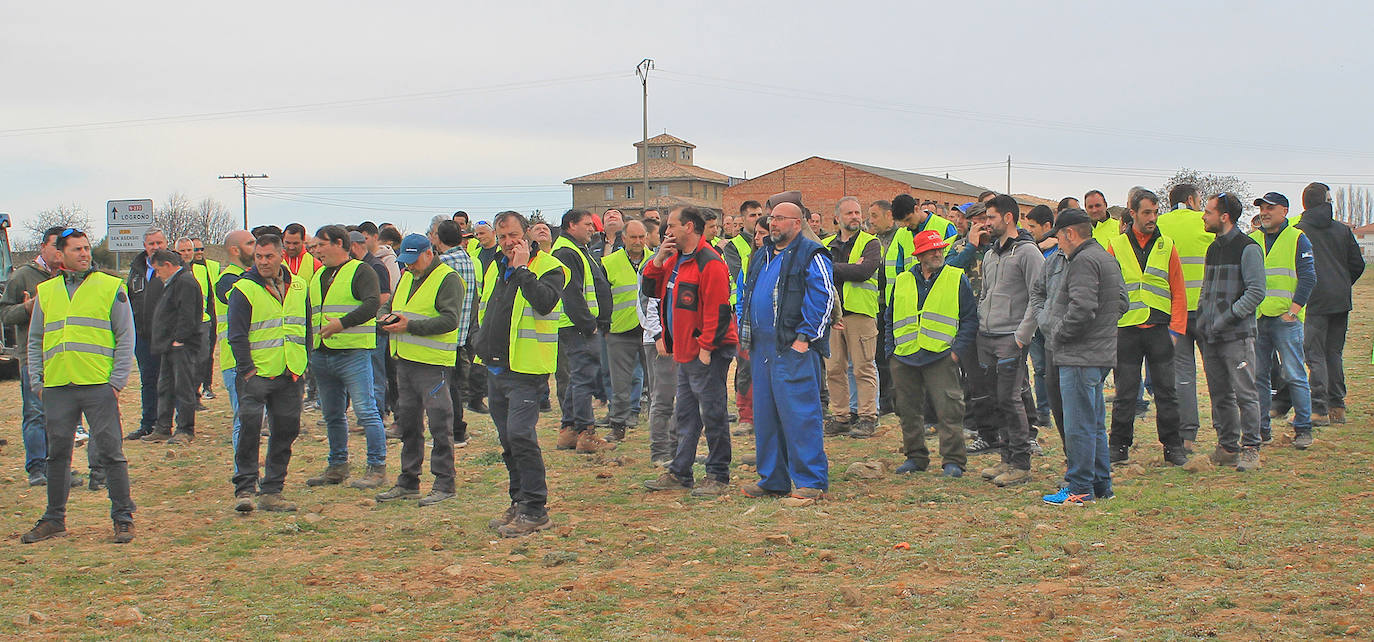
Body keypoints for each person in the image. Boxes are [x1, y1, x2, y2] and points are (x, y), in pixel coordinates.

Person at [23, 229, 136, 544]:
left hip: (98, 384)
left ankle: (123, 518)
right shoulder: (46, 292)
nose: (85, 254)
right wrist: (38, 381)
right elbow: (35, 340)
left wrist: (116, 382)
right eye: (77, 249)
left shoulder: (111, 287)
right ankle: (54, 519)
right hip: (58, 386)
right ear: (61, 254)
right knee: (57, 455)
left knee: (111, 452)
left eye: (87, 248)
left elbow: (126, 337)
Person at [734, 200, 834, 504]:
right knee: (766, 416)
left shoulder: (811, 254)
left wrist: (805, 338)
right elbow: (747, 294)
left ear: (796, 222)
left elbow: (825, 297)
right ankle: (772, 479)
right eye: (771, 218)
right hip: (762, 348)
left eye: (779, 218)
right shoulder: (761, 255)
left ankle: (811, 481)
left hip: (793, 348)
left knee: (800, 415)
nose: (772, 223)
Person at [474, 211, 565, 537]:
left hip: (527, 369)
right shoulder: (495, 268)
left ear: (527, 233)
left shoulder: (551, 267)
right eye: (502, 237)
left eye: (513, 235)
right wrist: (478, 345)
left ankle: (535, 510)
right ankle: (518, 502)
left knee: (521, 436)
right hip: (497, 368)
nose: (509, 242)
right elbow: (488, 310)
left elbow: (543, 302)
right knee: (508, 440)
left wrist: (523, 269)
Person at [641, 205, 740, 498]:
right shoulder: (674, 259)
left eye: (671, 225)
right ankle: (680, 471)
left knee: (712, 412)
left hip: (706, 351)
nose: (666, 231)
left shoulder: (709, 262)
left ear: (689, 227)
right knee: (685, 414)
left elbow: (719, 310)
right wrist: (658, 259)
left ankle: (718, 474)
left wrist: (707, 347)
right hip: (685, 352)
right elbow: (651, 289)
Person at [1038, 210, 1125, 505]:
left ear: (1070, 234)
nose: (1058, 245)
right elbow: (1122, 302)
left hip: (1079, 354)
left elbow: (1082, 309)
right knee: (1094, 422)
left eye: (1059, 238)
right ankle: (1100, 484)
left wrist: (1059, 333)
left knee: (1079, 424)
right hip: (1096, 353)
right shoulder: (1104, 257)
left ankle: (1078, 487)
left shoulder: (1083, 261)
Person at [374, 234, 462, 506]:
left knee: (439, 425)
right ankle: (408, 481)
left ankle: (444, 482)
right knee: (408, 424)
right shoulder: (407, 276)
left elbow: (450, 320)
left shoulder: (448, 279)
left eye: (413, 261)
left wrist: (408, 326)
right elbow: (391, 306)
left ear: (428, 253)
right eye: (405, 261)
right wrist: (385, 318)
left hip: (433, 364)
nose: (408, 266)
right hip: (405, 361)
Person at [1104, 190, 1190, 466]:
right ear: (1132, 213)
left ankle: (1172, 446)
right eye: (1146, 213)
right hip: (1126, 330)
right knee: (1125, 393)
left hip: (1160, 330)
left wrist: (1177, 330)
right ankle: (1118, 446)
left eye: (1155, 212)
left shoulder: (1167, 245)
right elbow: (1105, 290)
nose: (1152, 218)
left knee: (1167, 391)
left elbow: (1178, 289)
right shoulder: (1115, 246)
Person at [0, 227, 91, 487]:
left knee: (63, 418)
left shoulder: (71, 278)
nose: (60, 251)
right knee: (36, 414)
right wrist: (29, 306)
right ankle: (37, 468)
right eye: (55, 245)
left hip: (66, 360)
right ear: (43, 247)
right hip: (35, 358)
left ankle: (61, 469)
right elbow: (5, 315)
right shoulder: (23, 277)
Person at [885, 230, 977, 477]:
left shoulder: (956, 278)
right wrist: (890, 351)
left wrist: (956, 352)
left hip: (941, 355)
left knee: (950, 409)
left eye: (940, 249)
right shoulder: (903, 280)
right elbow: (889, 316)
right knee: (907, 410)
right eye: (932, 249)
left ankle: (953, 461)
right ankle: (915, 457)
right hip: (904, 356)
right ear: (919, 254)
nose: (938, 253)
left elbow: (969, 319)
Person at [227, 234, 307, 513]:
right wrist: (247, 370)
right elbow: (236, 335)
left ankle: (273, 490)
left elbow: (303, 326)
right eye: (259, 257)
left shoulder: (299, 285)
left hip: (290, 372)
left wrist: (302, 363)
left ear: (281, 255)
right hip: (256, 375)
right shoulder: (244, 289)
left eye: (268, 256)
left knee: (286, 431)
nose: (263, 262)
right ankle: (245, 488)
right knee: (249, 429)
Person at [305, 225, 388, 489]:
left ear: (339, 243)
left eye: (321, 245)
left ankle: (377, 467)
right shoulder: (318, 277)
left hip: (352, 353)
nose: (317, 250)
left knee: (366, 411)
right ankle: (337, 466)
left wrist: (342, 324)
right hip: (323, 354)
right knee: (332, 414)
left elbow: (372, 304)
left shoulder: (361, 271)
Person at [972, 194, 1043, 488]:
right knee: (996, 400)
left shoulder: (1028, 253)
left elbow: (1038, 296)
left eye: (991, 218)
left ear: (1008, 217)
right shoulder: (990, 255)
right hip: (987, 335)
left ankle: (1021, 463)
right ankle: (1006, 458)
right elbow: (985, 294)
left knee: (1011, 399)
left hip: (1010, 338)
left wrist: (1021, 336)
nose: (986, 223)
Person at [1198, 192, 1267, 471]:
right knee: (1219, 394)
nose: (1204, 216)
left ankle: (1251, 448)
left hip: (1237, 336)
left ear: (1224, 217)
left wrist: (1228, 317)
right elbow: (1206, 288)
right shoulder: (1213, 248)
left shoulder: (1248, 248)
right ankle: (1227, 447)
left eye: (1209, 212)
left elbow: (1256, 291)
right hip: (1211, 336)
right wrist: (1203, 320)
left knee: (1245, 393)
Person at [1249, 192, 1317, 448]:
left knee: (1295, 374)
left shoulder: (1297, 239)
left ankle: (1303, 429)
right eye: (1262, 208)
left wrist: (1293, 310)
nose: (1264, 212)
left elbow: (1308, 278)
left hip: (1285, 320)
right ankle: (1262, 430)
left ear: (1285, 211)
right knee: (1259, 377)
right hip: (1258, 318)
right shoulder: (1253, 240)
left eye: (1270, 208)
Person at [1296, 182, 1364, 426]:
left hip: (1313, 300)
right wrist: (1343, 283)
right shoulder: (1341, 230)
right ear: (1326, 202)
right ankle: (1338, 407)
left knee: (1314, 355)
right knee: (1333, 353)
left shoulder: (1298, 232)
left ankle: (1319, 410)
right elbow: (1358, 265)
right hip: (1339, 299)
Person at [1155, 184, 1215, 453]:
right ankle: (1226, 434)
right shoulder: (1205, 222)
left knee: (1183, 376)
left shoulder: (1160, 225)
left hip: (1173, 313)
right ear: (1191, 200)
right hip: (1206, 310)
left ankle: (1187, 437)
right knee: (1216, 373)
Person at [552, 209, 615, 452]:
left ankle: (568, 430)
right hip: (577, 326)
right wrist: (589, 325)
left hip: (576, 325)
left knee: (578, 379)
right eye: (587, 224)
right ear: (571, 225)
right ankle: (586, 433)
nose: (592, 228)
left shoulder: (575, 250)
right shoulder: (567, 253)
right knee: (583, 380)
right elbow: (571, 294)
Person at [821, 197, 882, 438]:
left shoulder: (871, 243)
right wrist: (848, 267)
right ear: (837, 218)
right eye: (849, 213)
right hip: (833, 315)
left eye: (858, 212)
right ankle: (841, 417)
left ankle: (867, 417)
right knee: (834, 368)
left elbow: (864, 272)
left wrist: (833, 268)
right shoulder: (825, 244)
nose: (855, 217)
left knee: (863, 367)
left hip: (860, 314)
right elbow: (817, 272)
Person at [429, 219, 479, 447]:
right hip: (462, 334)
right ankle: (458, 431)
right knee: (454, 387)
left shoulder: (442, 263)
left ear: (437, 238)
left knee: (445, 389)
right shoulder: (467, 260)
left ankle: (454, 432)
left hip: (444, 335)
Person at [145, 250, 203, 445]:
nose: (157, 275)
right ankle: (162, 428)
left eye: (158, 270)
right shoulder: (174, 283)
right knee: (165, 386)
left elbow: (189, 313)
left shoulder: (185, 282)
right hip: (169, 346)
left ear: (168, 265)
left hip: (181, 346)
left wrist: (180, 339)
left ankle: (185, 429)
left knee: (183, 387)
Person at [601, 219, 650, 442]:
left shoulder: (657, 260)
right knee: (620, 383)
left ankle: (664, 430)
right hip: (620, 331)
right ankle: (618, 425)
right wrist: (604, 326)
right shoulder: (609, 263)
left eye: (641, 237)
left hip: (650, 331)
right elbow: (602, 298)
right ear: (624, 239)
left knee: (658, 382)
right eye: (633, 237)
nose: (638, 241)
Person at [639, 219, 677, 466]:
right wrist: (658, 336)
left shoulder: (682, 263)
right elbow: (647, 304)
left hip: (679, 342)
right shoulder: (652, 265)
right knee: (662, 399)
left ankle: (677, 450)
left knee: (680, 399)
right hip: (659, 343)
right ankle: (660, 452)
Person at [723, 200, 763, 433]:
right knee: (745, 365)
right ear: (742, 219)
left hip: (764, 315)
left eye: (759, 214)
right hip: (742, 313)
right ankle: (745, 415)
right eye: (751, 215)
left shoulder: (771, 244)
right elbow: (739, 275)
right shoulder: (734, 246)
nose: (756, 218)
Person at [215, 230, 255, 463]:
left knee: (253, 421)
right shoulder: (228, 281)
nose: (256, 247)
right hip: (236, 363)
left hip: (254, 360)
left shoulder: (246, 277)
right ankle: (245, 475)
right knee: (244, 421)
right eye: (250, 243)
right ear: (234, 250)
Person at [124, 227, 167, 441]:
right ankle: (148, 424)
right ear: (145, 247)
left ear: (166, 244)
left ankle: (169, 424)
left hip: (168, 337)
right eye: (152, 244)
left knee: (169, 381)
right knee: (148, 381)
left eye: (159, 243)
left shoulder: (176, 268)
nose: (156, 247)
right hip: (143, 336)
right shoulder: (136, 270)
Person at [348, 231, 393, 425]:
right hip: (364, 330)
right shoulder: (360, 266)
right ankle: (368, 416)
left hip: (375, 329)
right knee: (367, 375)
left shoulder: (375, 266)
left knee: (376, 375)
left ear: (355, 246)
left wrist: (365, 312)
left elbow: (384, 297)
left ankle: (377, 415)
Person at [1021, 205, 1058, 429]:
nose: (1030, 231)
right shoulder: (1033, 247)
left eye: (1033, 227)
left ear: (1047, 226)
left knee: (1055, 368)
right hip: (1035, 315)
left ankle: (1057, 410)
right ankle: (1043, 412)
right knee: (1040, 368)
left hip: (1054, 318)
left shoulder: (1060, 248)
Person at [466, 220, 500, 414]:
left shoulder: (500, 253)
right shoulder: (475, 256)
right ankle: (476, 396)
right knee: (477, 352)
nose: (479, 237)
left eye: (482, 233)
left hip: (497, 304)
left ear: (493, 233)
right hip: (480, 307)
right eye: (477, 234)